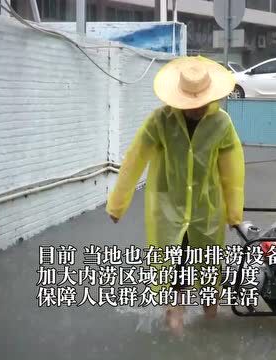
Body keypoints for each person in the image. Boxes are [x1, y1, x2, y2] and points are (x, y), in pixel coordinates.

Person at [105, 56, 245, 335]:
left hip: (207, 208)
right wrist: (117, 204)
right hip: (169, 207)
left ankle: (210, 319)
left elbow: (232, 172)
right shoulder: (160, 121)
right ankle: (176, 320)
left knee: (209, 265)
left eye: (201, 102)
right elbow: (135, 159)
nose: (195, 109)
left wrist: (233, 213)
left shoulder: (221, 124)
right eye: (190, 104)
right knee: (175, 263)